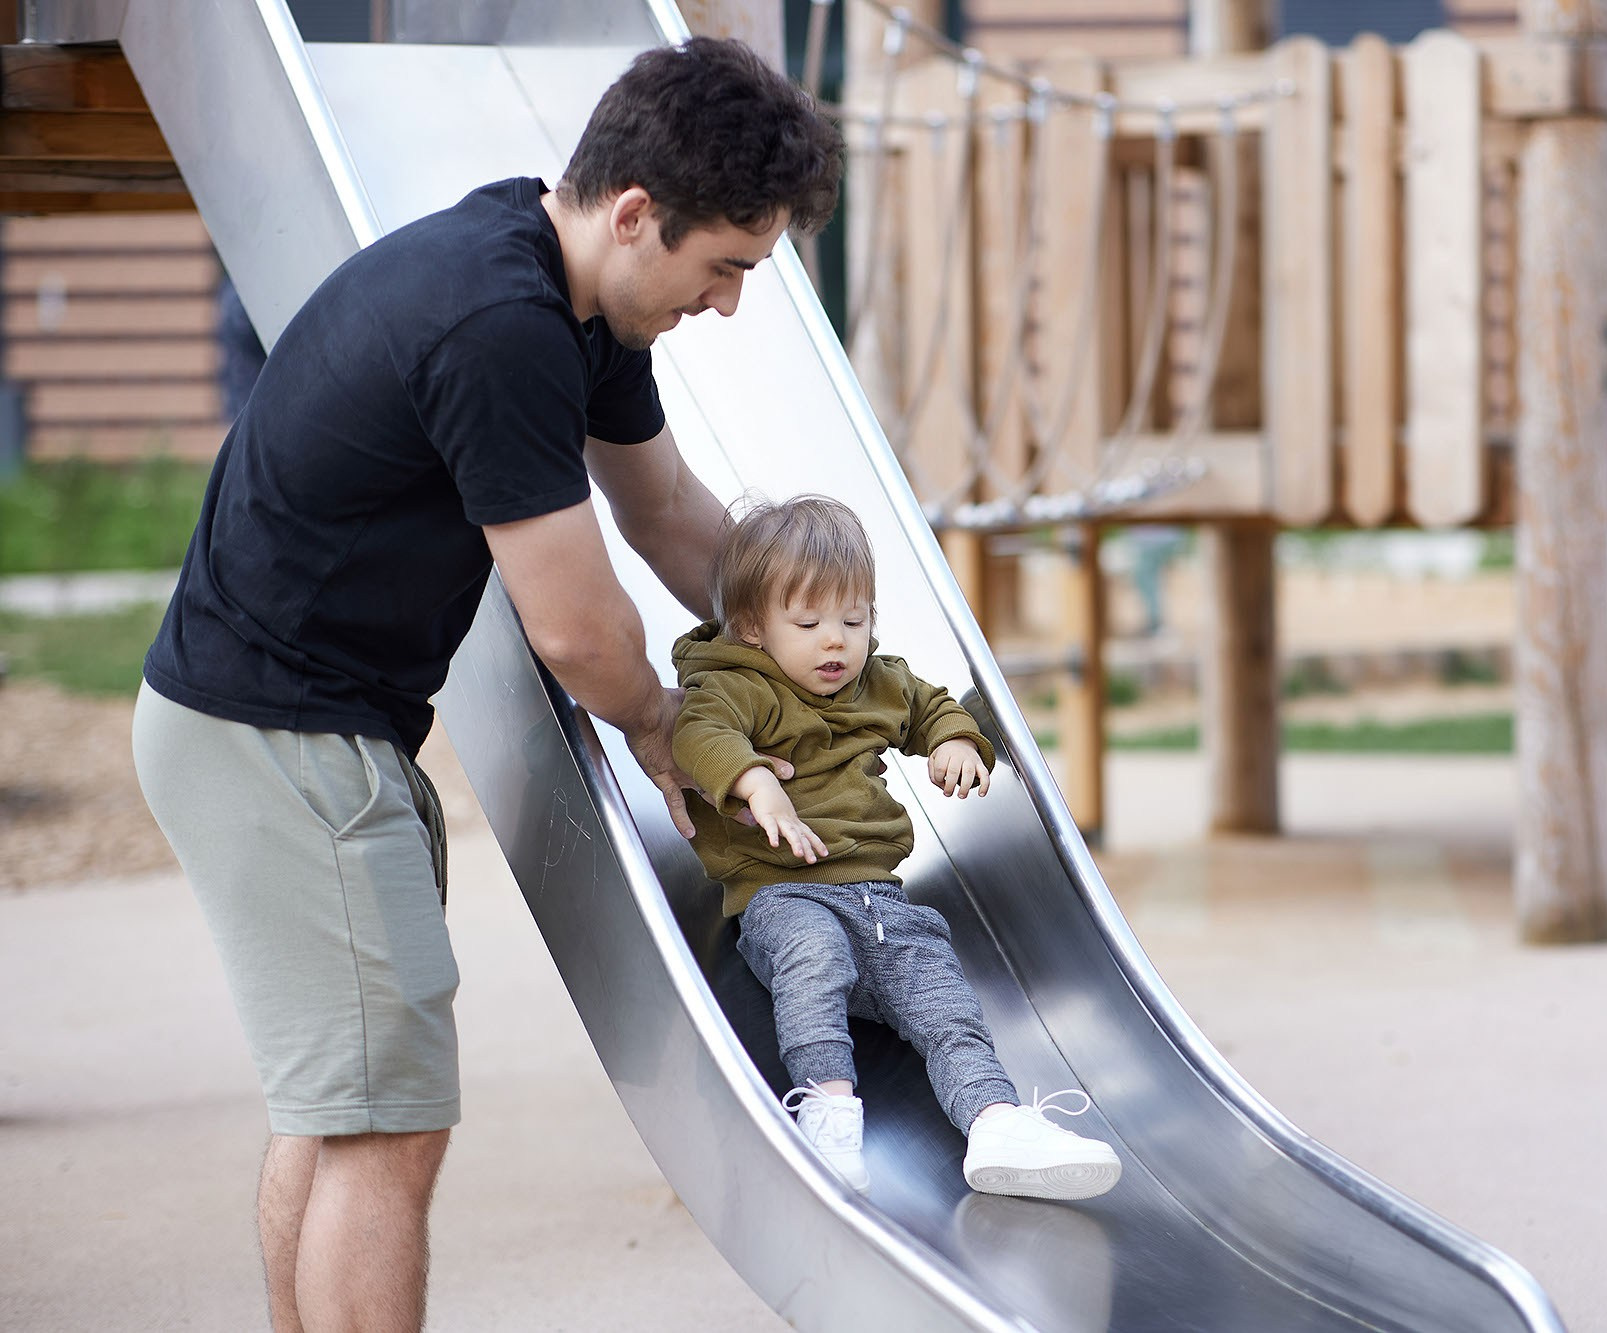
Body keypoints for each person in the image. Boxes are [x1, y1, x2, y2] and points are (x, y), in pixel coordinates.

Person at [130, 39, 843, 1333]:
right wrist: (678, 731)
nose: (731, 303)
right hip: (280, 738)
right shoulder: (501, 327)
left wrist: (809, 643)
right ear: (636, 214)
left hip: (298, 726)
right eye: (726, 266)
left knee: (348, 1110)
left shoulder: (577, 298)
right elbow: (575, 628)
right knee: (385, 1129)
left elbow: (672, 512)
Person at [672, 495, 1122, 1201]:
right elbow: (700, 733)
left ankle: (997, 1120)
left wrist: (953, 742)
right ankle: (827, 1112)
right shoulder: (738, 685)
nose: (836, 642)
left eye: (855, 620)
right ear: (754, 627)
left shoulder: (879, 680)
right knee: (813, 963)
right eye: (811, 622)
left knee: (944, 1000)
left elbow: (934, 704)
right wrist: (755, 782)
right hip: (783, 895)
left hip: (882, 901)